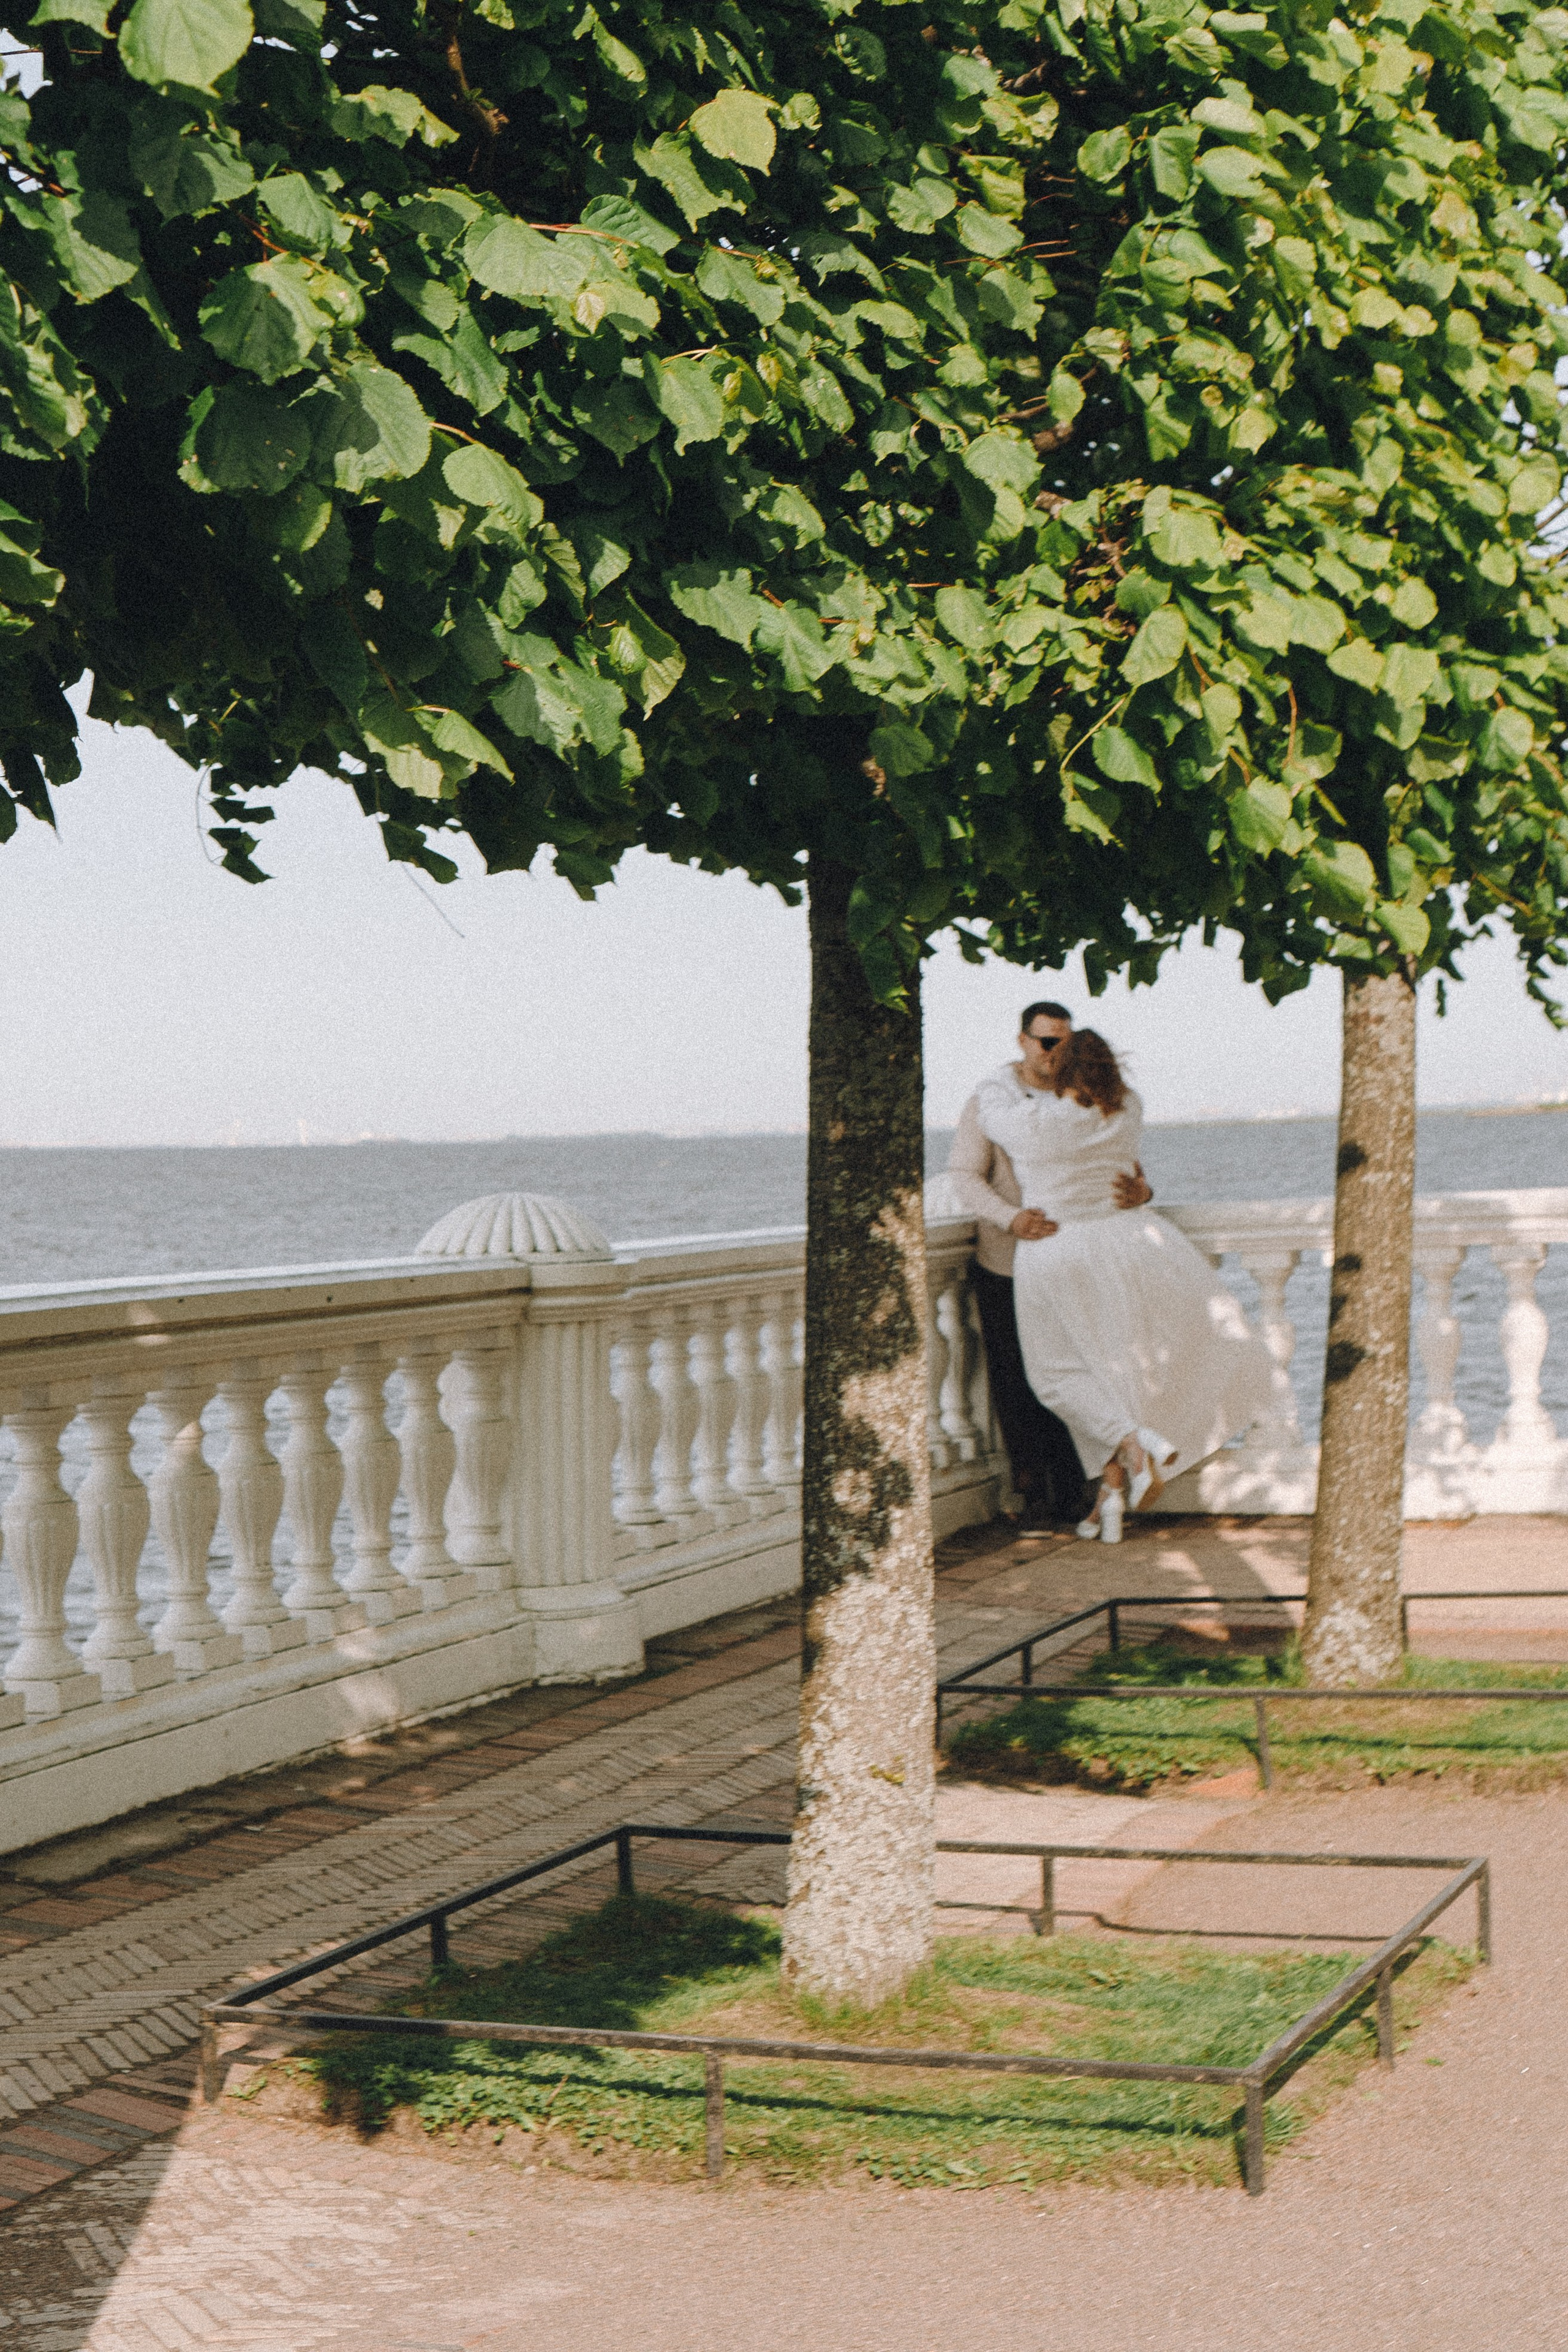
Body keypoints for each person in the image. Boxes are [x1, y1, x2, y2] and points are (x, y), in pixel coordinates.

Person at [974, 1025, 1270, 1544]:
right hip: (1123, 1242)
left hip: (1056, 1248)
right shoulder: (1129, 1108)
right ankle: (1108, 1500)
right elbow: (1126, 1163)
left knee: (1055, 1376)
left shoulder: (1037, 1120)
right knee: (1113, 1372)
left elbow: (989, 1109)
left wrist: (1012, 1068)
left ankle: (1134, 1442)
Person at [946, 1001, 1153, 1529]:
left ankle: (1088, 1492)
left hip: (1072, 1256)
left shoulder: (1084, 1100)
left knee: (1090, 1371)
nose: (1054, 1051)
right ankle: (1038, 1495)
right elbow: (964, 1175)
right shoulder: (992, 1101)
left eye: (1064, 1041)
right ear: (1022, 1041)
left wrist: (1142, 1191)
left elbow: (1122, 1169)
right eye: (1045, 1041)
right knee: (1020, 1385)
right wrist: (1011, 1218)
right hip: (1009, 1260)